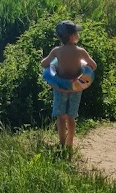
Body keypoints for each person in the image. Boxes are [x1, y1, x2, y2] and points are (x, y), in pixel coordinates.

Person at [41, 20, 97, 154]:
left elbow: (44, 64)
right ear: (72, 36)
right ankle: (70, 144)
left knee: (61, 117)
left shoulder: (56, 51)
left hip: (60, 88)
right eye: (76, 32)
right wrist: (84, 66)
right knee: (71, 117)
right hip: (75, 89)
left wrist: (52, 64)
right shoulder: (81, 52)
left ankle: (61, 143)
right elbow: (93, 66)